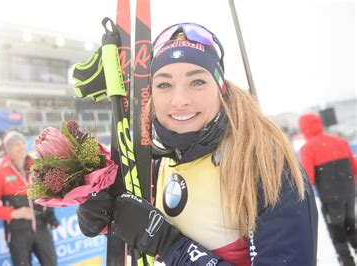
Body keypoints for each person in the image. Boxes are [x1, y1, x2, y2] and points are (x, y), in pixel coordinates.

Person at [76, 23, 319, 265]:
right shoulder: (155, 164)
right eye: (164, 85)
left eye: (197, 82)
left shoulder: (264, 162)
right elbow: (138, 237)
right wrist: (103, 213)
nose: (180, 100)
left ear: (220, 87)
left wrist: (167, 243)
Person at [0, 131, 59, 266]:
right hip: (18, 233)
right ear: (8, 150)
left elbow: (48, 194)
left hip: (42, 228)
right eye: (16, 144)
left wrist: (51, 215)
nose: (21, 146)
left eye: (23, 143)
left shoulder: (37, 166)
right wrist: (14, 213)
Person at [298, 113, 357, 265]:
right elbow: (354, 167)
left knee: (337, 233)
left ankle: (347, 261)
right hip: (350, 194)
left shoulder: (307, 149)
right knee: (351, 226)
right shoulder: (340, 142)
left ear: (303, 128)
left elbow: (308, 179)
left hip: (331, 200)